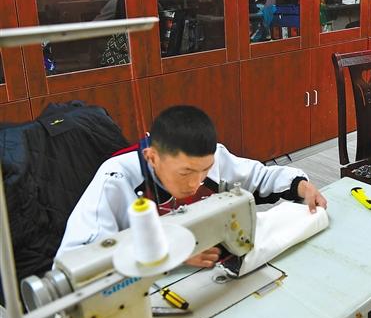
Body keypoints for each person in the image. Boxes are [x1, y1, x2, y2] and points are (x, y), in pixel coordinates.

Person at [57, 105, 327, 267]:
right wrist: (169, 253)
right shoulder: (115, 179)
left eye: (205, 171)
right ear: (152, 157)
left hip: (210, 275)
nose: (196, 183)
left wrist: (301, 186)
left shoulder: (210, 158)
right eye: (185, 173)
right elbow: (76, 259)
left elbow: (259, 178)